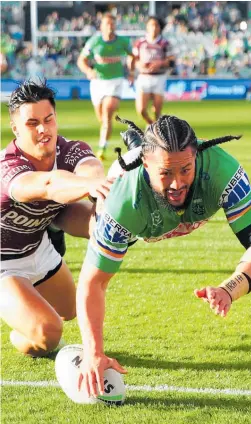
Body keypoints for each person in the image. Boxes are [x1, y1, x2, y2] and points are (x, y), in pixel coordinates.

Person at [75, 115, 251, 396]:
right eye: (166, 174)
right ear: (147, 167)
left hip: (160, 201)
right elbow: (93, 282)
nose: (177, 184)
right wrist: (93, 353)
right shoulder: (123, 201)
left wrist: (230, 288)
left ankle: (139, 143)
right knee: (95, 232)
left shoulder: (221, 169)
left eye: (185, 170)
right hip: (138, 209)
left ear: (197, 157)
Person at [0, 78, 113, 358]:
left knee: (71, 310)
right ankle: (21, 329)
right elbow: (50, 185)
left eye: (48, 119)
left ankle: (24, 312)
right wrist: (88, 187)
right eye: (32, 123)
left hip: (37, 247)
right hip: (3, 263)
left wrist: (114, 220)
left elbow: (91, 170)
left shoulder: (71, 150)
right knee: (48, 335)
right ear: (15, 129)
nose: (43, 129)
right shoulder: (9, 166)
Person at [77, 12, 135, 161]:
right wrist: (88, 70)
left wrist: (131, 71)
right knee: (102, 118)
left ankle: (102, 148)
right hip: (98, 83)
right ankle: (105, 133)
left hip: (115, 81)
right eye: (107, 24)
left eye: (112, 24)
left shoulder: (123, 41)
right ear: (101, 26)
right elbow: (81, 60)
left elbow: (132, 55)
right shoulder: (94, 42)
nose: (110, 27)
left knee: (107, 112)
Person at [133, 16, 175, 125]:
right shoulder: (140, 43)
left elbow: (171, 61)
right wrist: (139, 65)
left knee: (157, 111)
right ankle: (151, 124)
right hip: (144, 77)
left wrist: (159, 63)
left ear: (160, 28)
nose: (154, 28)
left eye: (156, 25)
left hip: (159, 77)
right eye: (151, 25)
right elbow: (134, 59)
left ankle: (155, 130)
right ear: (147, 26)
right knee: (141, 110)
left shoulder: (165, 43)